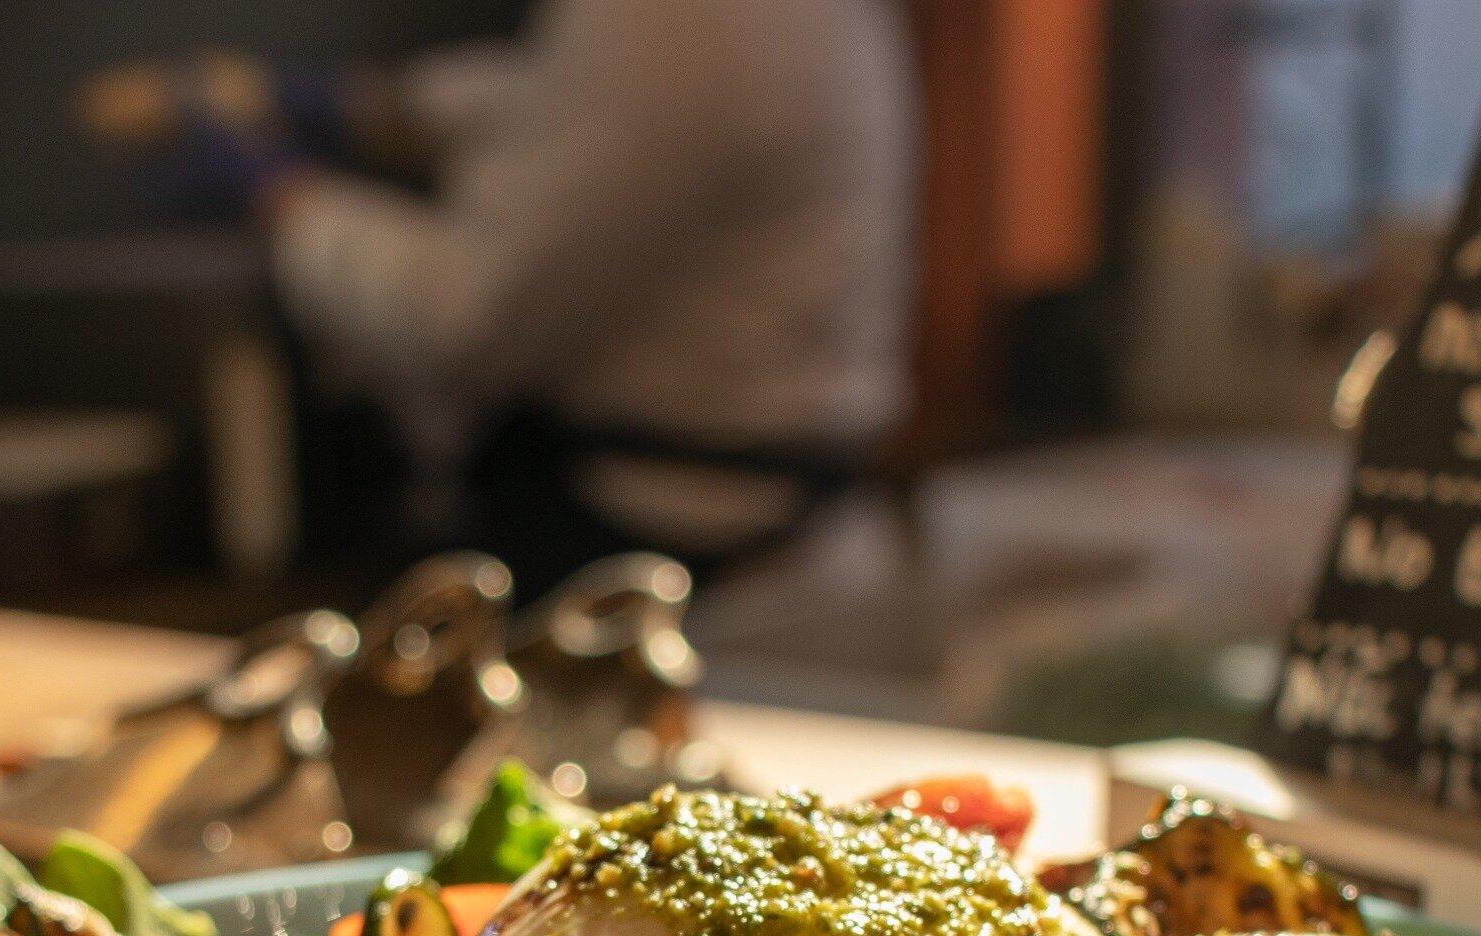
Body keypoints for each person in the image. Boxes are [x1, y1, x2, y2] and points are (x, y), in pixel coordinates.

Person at [79, 1, 917, 596]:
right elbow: (577, 104)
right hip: (738, 520)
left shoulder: (683, 17)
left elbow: (462, 324)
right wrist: (374, 109)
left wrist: (280, 196)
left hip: (677, 539)